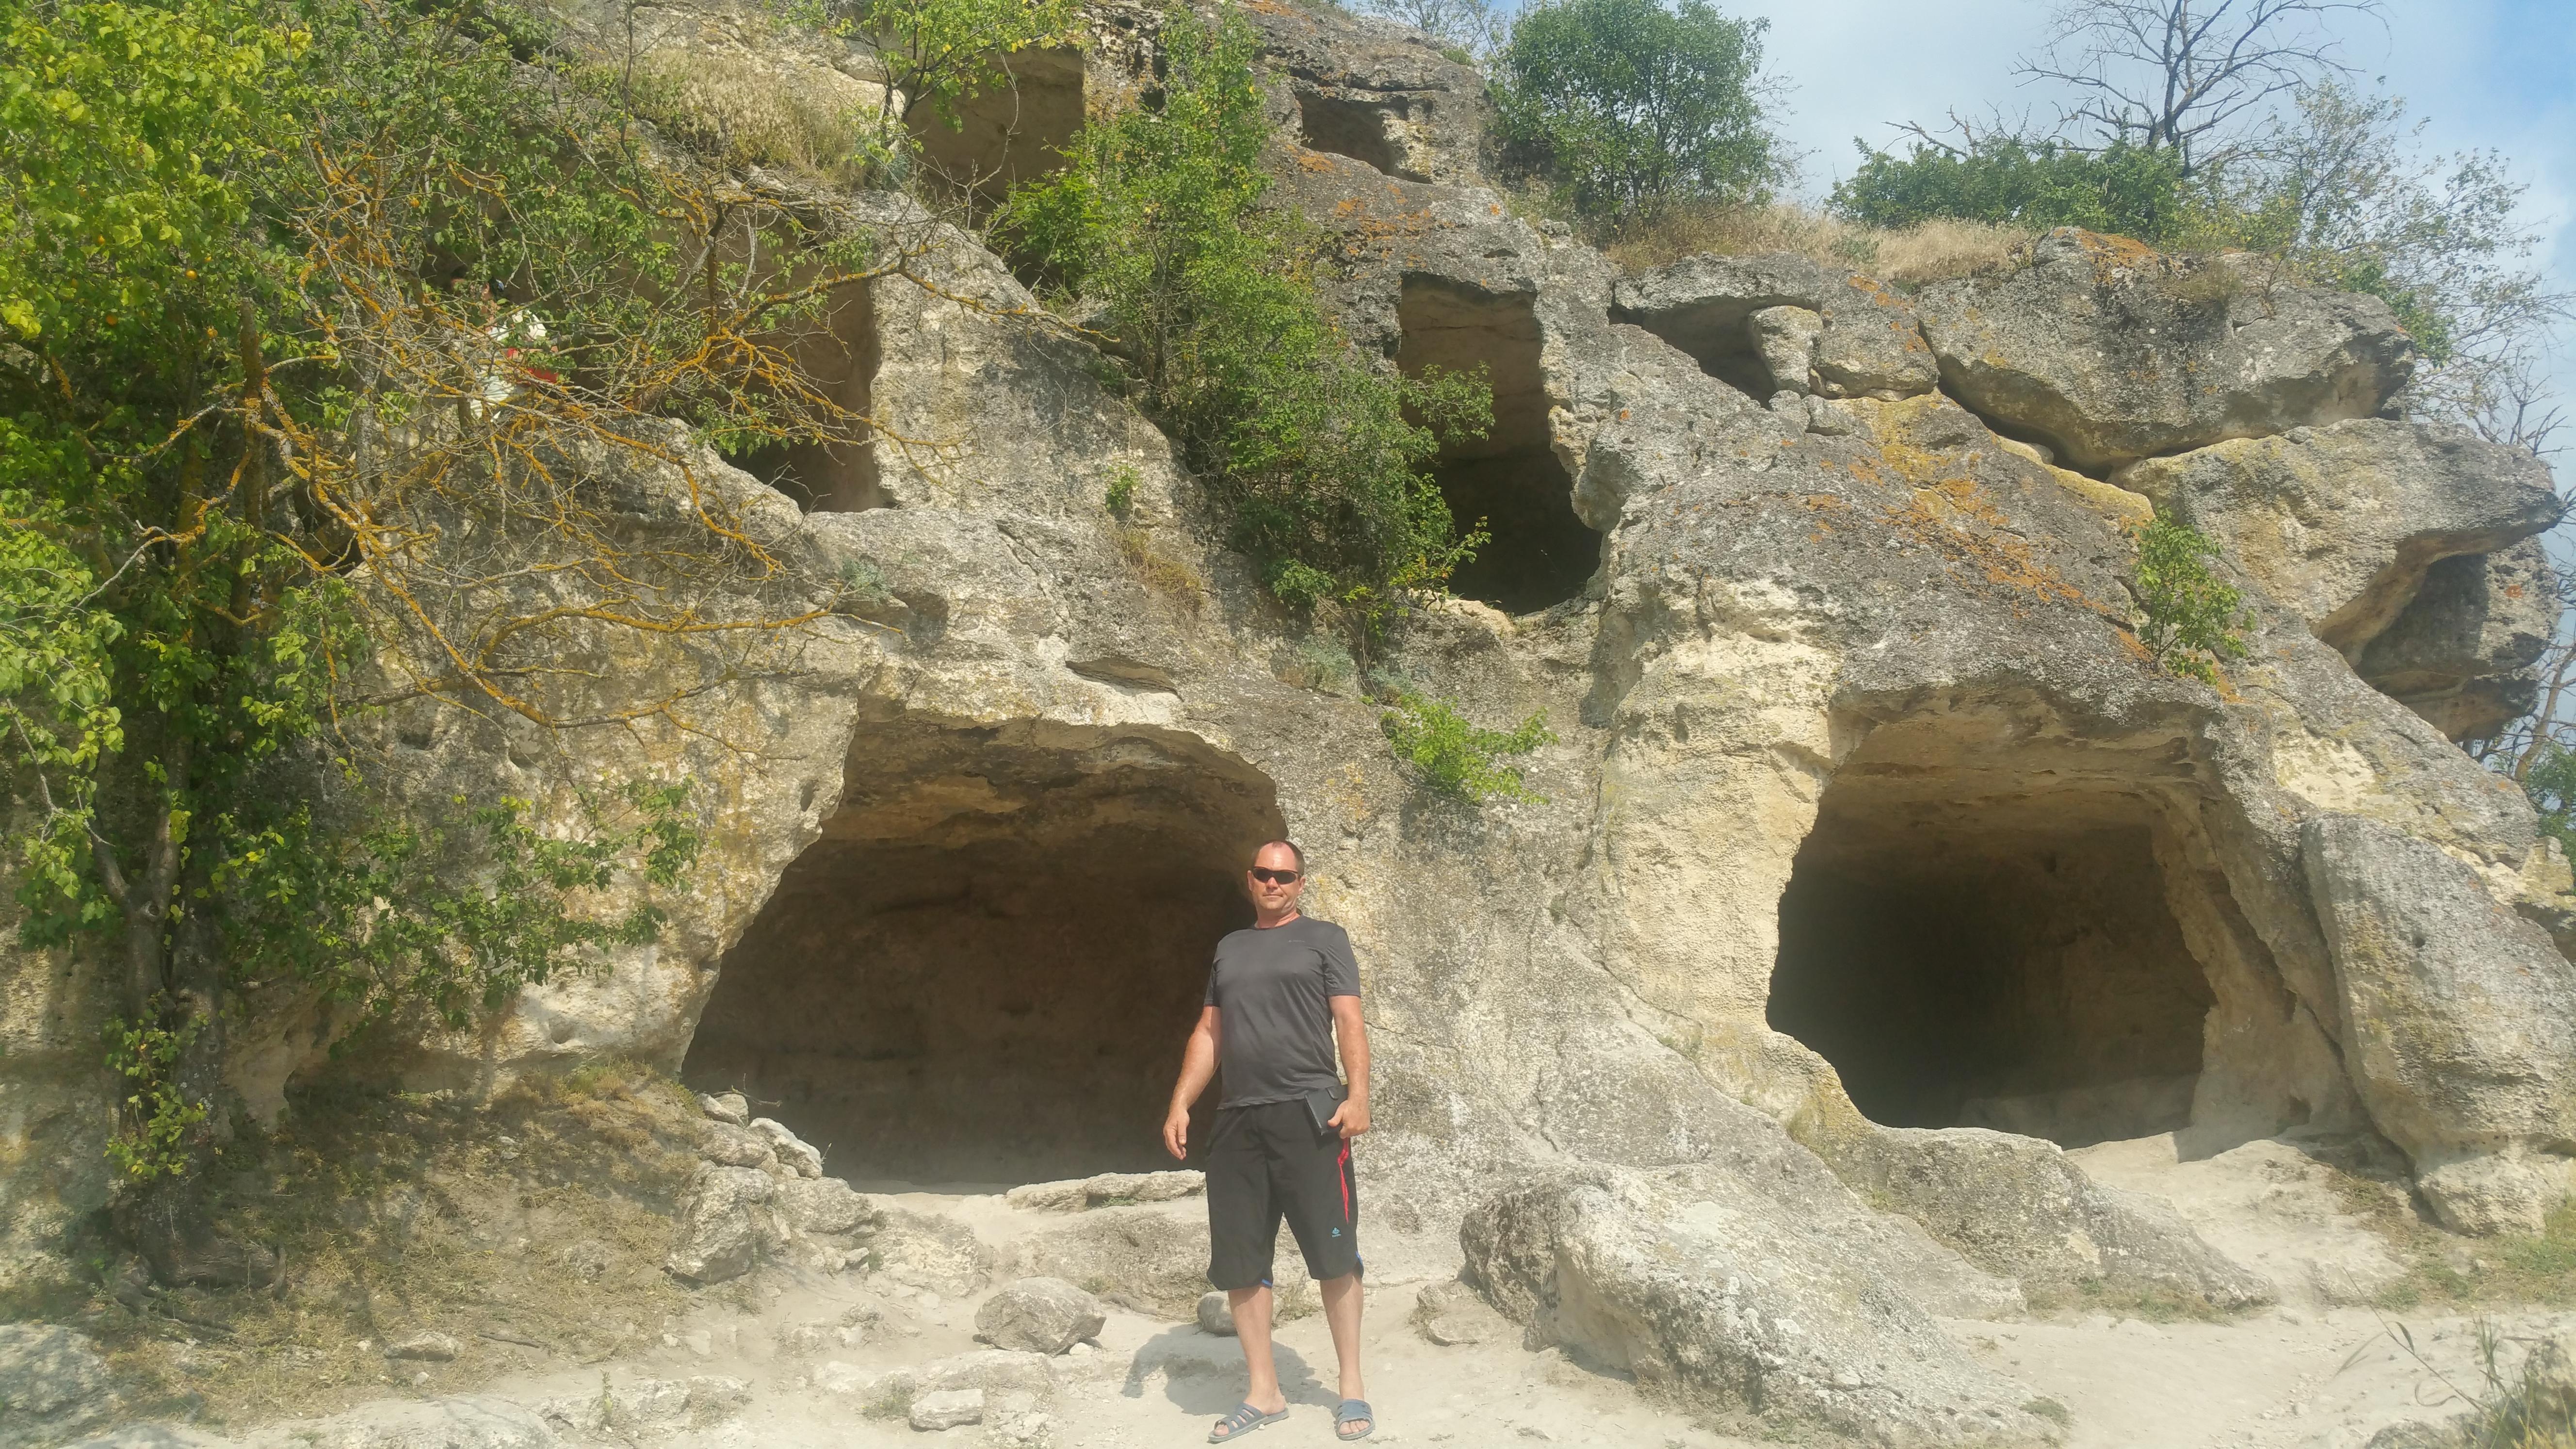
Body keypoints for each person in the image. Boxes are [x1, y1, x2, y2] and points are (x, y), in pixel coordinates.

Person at [1164, 840, 1375, 1444]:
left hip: (1310, 1114)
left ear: (1301, 882)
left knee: (1334, 1253)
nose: (1273, 882)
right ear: (1249, 879)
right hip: (1238, 1119)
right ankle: (1264, 1391)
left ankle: (1351, 1386)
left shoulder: (1325, 939)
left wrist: (1357, 1095)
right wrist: (1181, 1100)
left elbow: (1348, 1020)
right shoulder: (1229, 947)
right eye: (1263, 873)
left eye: (1284, 875)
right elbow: (1210, 1030)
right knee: (1240, 1259)